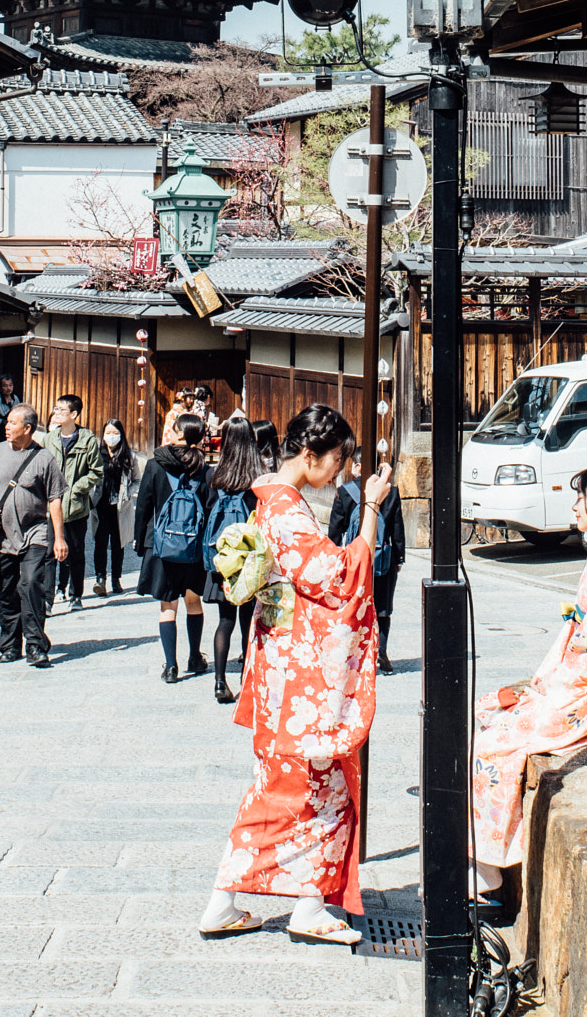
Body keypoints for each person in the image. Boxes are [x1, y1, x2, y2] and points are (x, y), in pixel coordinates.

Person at [200, 404, 390, 946]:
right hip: (298, 680)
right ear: (308, 455)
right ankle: (254, 902)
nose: (339, 471)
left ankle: (300, 903)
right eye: (335, 460)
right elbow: (340, 578)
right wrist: (372, 508)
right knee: (301, 790)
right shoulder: (285, 510)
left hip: (283, 667)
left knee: (305, 789)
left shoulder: (276, 503)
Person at [469, 461, 587, 896]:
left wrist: (552, 686)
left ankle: (489, 868)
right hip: (575, 679)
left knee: (495, 742)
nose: (574, 506)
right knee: (489, 709)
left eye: (581, 498)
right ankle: (486, 855)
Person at [0, 403, 66, 668]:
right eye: (6, 422)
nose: (6, 427)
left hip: (35, 535)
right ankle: (10, 645)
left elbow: (55, 500)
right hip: (3, 537)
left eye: (12, 423)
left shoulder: (44, 458)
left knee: (30, 587)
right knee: (6, 593)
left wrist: (59, 538)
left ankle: (36, 646)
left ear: (27, 428)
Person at [133, 413, 211, 683]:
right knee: (193, 601)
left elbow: (143, 505)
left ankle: (170, 665)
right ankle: (194, 656)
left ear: (180, 435)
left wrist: (139, 539)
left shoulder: (155, 465)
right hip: (193, 549)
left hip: (163, 546)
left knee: (168, 605)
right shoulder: (204, 469)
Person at [201, 415, 260, 703]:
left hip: (222, 561)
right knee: (249, 621)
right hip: (248, 562)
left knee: (225, 621)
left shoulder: (216, 477)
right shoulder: (257, 481)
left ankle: (219, 681)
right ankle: (247, 681)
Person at [329, 450, 405, 674]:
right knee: (383, 609)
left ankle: (355, 654)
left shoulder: (344, 492)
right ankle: (381, 653)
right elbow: (396, 528)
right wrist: (399, 557)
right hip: (384, 559)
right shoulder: (391, 492)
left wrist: (333, 556)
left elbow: (335, 529)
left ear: (358, 466)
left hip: (355, 559)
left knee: (354, 606)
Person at [39, 395, 102, 611]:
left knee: (75, 551)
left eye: (60, 410)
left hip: (76, 507)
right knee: (49, 553)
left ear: (73, 414)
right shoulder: (49, 439)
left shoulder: (87, 440)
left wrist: (77, 488)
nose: (55, 413)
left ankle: (76, 595)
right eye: (55, 408)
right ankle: (48, 598)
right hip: (52, 506)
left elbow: (97, 471)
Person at [92, 418, 134, 597]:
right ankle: (100, 578)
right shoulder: (96, 454)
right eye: (108, 433)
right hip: (101, 505)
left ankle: (116, 578)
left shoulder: (127, 455)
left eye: (115, 433)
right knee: (100, 543)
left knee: (118, 544)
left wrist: (129, 493)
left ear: (121, 435)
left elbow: (137, 479)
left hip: (119, 506)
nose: (111, 437)